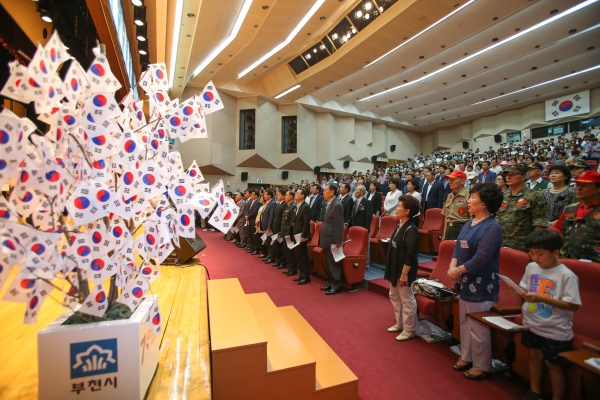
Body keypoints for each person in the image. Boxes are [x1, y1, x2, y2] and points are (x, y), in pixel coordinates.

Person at [509, 230, 581, 400]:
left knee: (553, 365)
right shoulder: (531, 267)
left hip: (555, 329)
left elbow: (573, 305)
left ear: (555, 253)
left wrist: (542, 298)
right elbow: (526, 288)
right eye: (531, 253)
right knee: (533, 356)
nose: (535, 258)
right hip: (532, 323)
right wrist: (518, 290)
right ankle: (535, 391)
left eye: (540, 254)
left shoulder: (566, 275)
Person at [447, 182, 504, 380]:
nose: (468, 200)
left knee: (478, 326)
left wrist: (457, 270)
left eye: (473, 197)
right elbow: (457, 248)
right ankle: (466, 356)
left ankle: (481, 364)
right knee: (464, 321)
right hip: (463, 279)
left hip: (480, 283)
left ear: (485, 203)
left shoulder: (492, 227)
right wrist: (453, 267)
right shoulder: (468, 223)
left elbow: (481, 258)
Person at [385, 195, 420, 341]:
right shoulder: (400, 225)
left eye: (399, 206)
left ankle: (410, 329)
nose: (397, 208)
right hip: (394, 267)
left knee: (407, 299)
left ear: (407, 211)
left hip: (404, 270)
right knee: (394, 296)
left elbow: (410, 254)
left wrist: (404, 274)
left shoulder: (411, 229)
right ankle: (400, 323)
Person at [495, 164, 548, 252]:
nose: (508, 177)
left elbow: (540, 225)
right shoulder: (504, 196)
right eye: (507, 175)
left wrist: (533, 247)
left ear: (523, 177)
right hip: (501, 243)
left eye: (513, 175)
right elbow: (498, 219)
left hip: (523, 246)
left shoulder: (535, 197)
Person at [554, 171, 600, 262]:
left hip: (594, 264)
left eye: (585, 185)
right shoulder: (569, 208)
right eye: (577, 185)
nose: (578, 188)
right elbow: (560, 233)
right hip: (567, 260)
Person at [319, 183, 345, 295]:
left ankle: (336, 285)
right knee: (328, 263)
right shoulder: (329, 203)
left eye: (325, 190)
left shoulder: (337, 204)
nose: (323, 192)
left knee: (333, 263)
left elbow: (339, 224)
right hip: (326, 238)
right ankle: (329, 283)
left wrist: (338, 241)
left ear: (332, 192)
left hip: (332, 239)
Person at [288, 189, 312, 283]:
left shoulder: (305, 206)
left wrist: (304, 236)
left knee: (303, 256)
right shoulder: (298, 206)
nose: (295, 194)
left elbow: (306, 223)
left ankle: (306, 276)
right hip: (296, 234)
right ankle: (301, 274)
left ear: (303, 196)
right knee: (298, 255)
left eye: (297, 193)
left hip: (301, 235)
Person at [442, 170, 472, 240]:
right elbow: (446, 217)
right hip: (449, 229)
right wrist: (444, 233)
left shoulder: (469, 195)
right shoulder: (449, 196)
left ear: (462, 181)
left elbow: (472, 218)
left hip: (462, 228)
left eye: (453, 180)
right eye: (450, 180)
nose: (450, 182)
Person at [267, 189, 287, 265]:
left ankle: (282, 261)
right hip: (275, 227)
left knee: (281, 246)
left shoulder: (285, 204)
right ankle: (278, 260)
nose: (277, 196)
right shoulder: (278, 204)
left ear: (283, 196)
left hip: (280, 228)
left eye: (279, 195)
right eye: (277, 194)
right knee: (277, 245)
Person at [280, 190, 297, 272]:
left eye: (286, 195)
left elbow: (292, 222)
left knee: (290, 251)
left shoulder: (293, 206)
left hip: (288, 232)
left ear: (291, 197)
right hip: (284, 231)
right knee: (286, 251)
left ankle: (292, 268)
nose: (285, 197)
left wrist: (288, 232)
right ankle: (289, 266)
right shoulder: (288, 206)